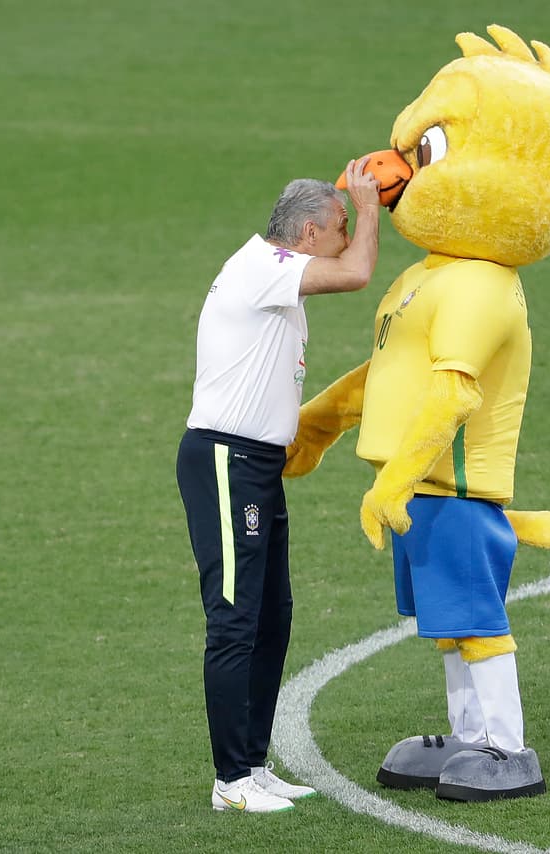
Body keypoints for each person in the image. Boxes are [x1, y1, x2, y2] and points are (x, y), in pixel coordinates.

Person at [176, 157, 381, 813]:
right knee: (235, 619)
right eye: (340, 225)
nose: (346, 235)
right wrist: (370, 206)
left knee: (271, 616)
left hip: (258, 465)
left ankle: (253, 765)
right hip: (226, 460)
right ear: (309, 232)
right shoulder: (266, 265)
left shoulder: (272, 272)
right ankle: (230, 782)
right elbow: (358, 273)